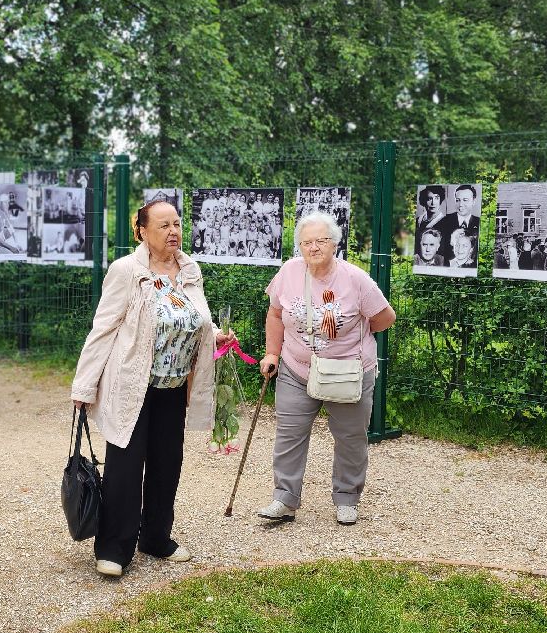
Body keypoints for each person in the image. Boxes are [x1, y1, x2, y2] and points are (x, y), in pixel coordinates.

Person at [70, 201, 233, 579]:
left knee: (167, 464)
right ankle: (114, 547)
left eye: (177, 224)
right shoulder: (127, 271)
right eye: (163, 225)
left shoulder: (190, 270)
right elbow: (104, 329)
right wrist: (84, 384)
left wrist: (213, 336)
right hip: (133, 385)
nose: (173, 231)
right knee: (125, 469)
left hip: (174, 387)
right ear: (142, 230)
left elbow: (193, 319)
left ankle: (156, 538)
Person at [256, 211, 396, 526]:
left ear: (334, 243)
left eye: (321, 240)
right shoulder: (289, 273)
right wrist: (272, 354)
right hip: (296, 366)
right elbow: (276, 314)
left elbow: (386, 317)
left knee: (350, 436)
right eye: (307, 242)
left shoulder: (355, 278)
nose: (314, 247)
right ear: (299, 247)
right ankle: (284, 499)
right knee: (289, 434)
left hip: (347, 371)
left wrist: (358, 336)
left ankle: (347, 498)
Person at [435, 184, 479, 256]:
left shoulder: (478, 222)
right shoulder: (443, 221)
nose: (460, 204)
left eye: (465, 200)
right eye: (458, 200)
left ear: (473, 201)